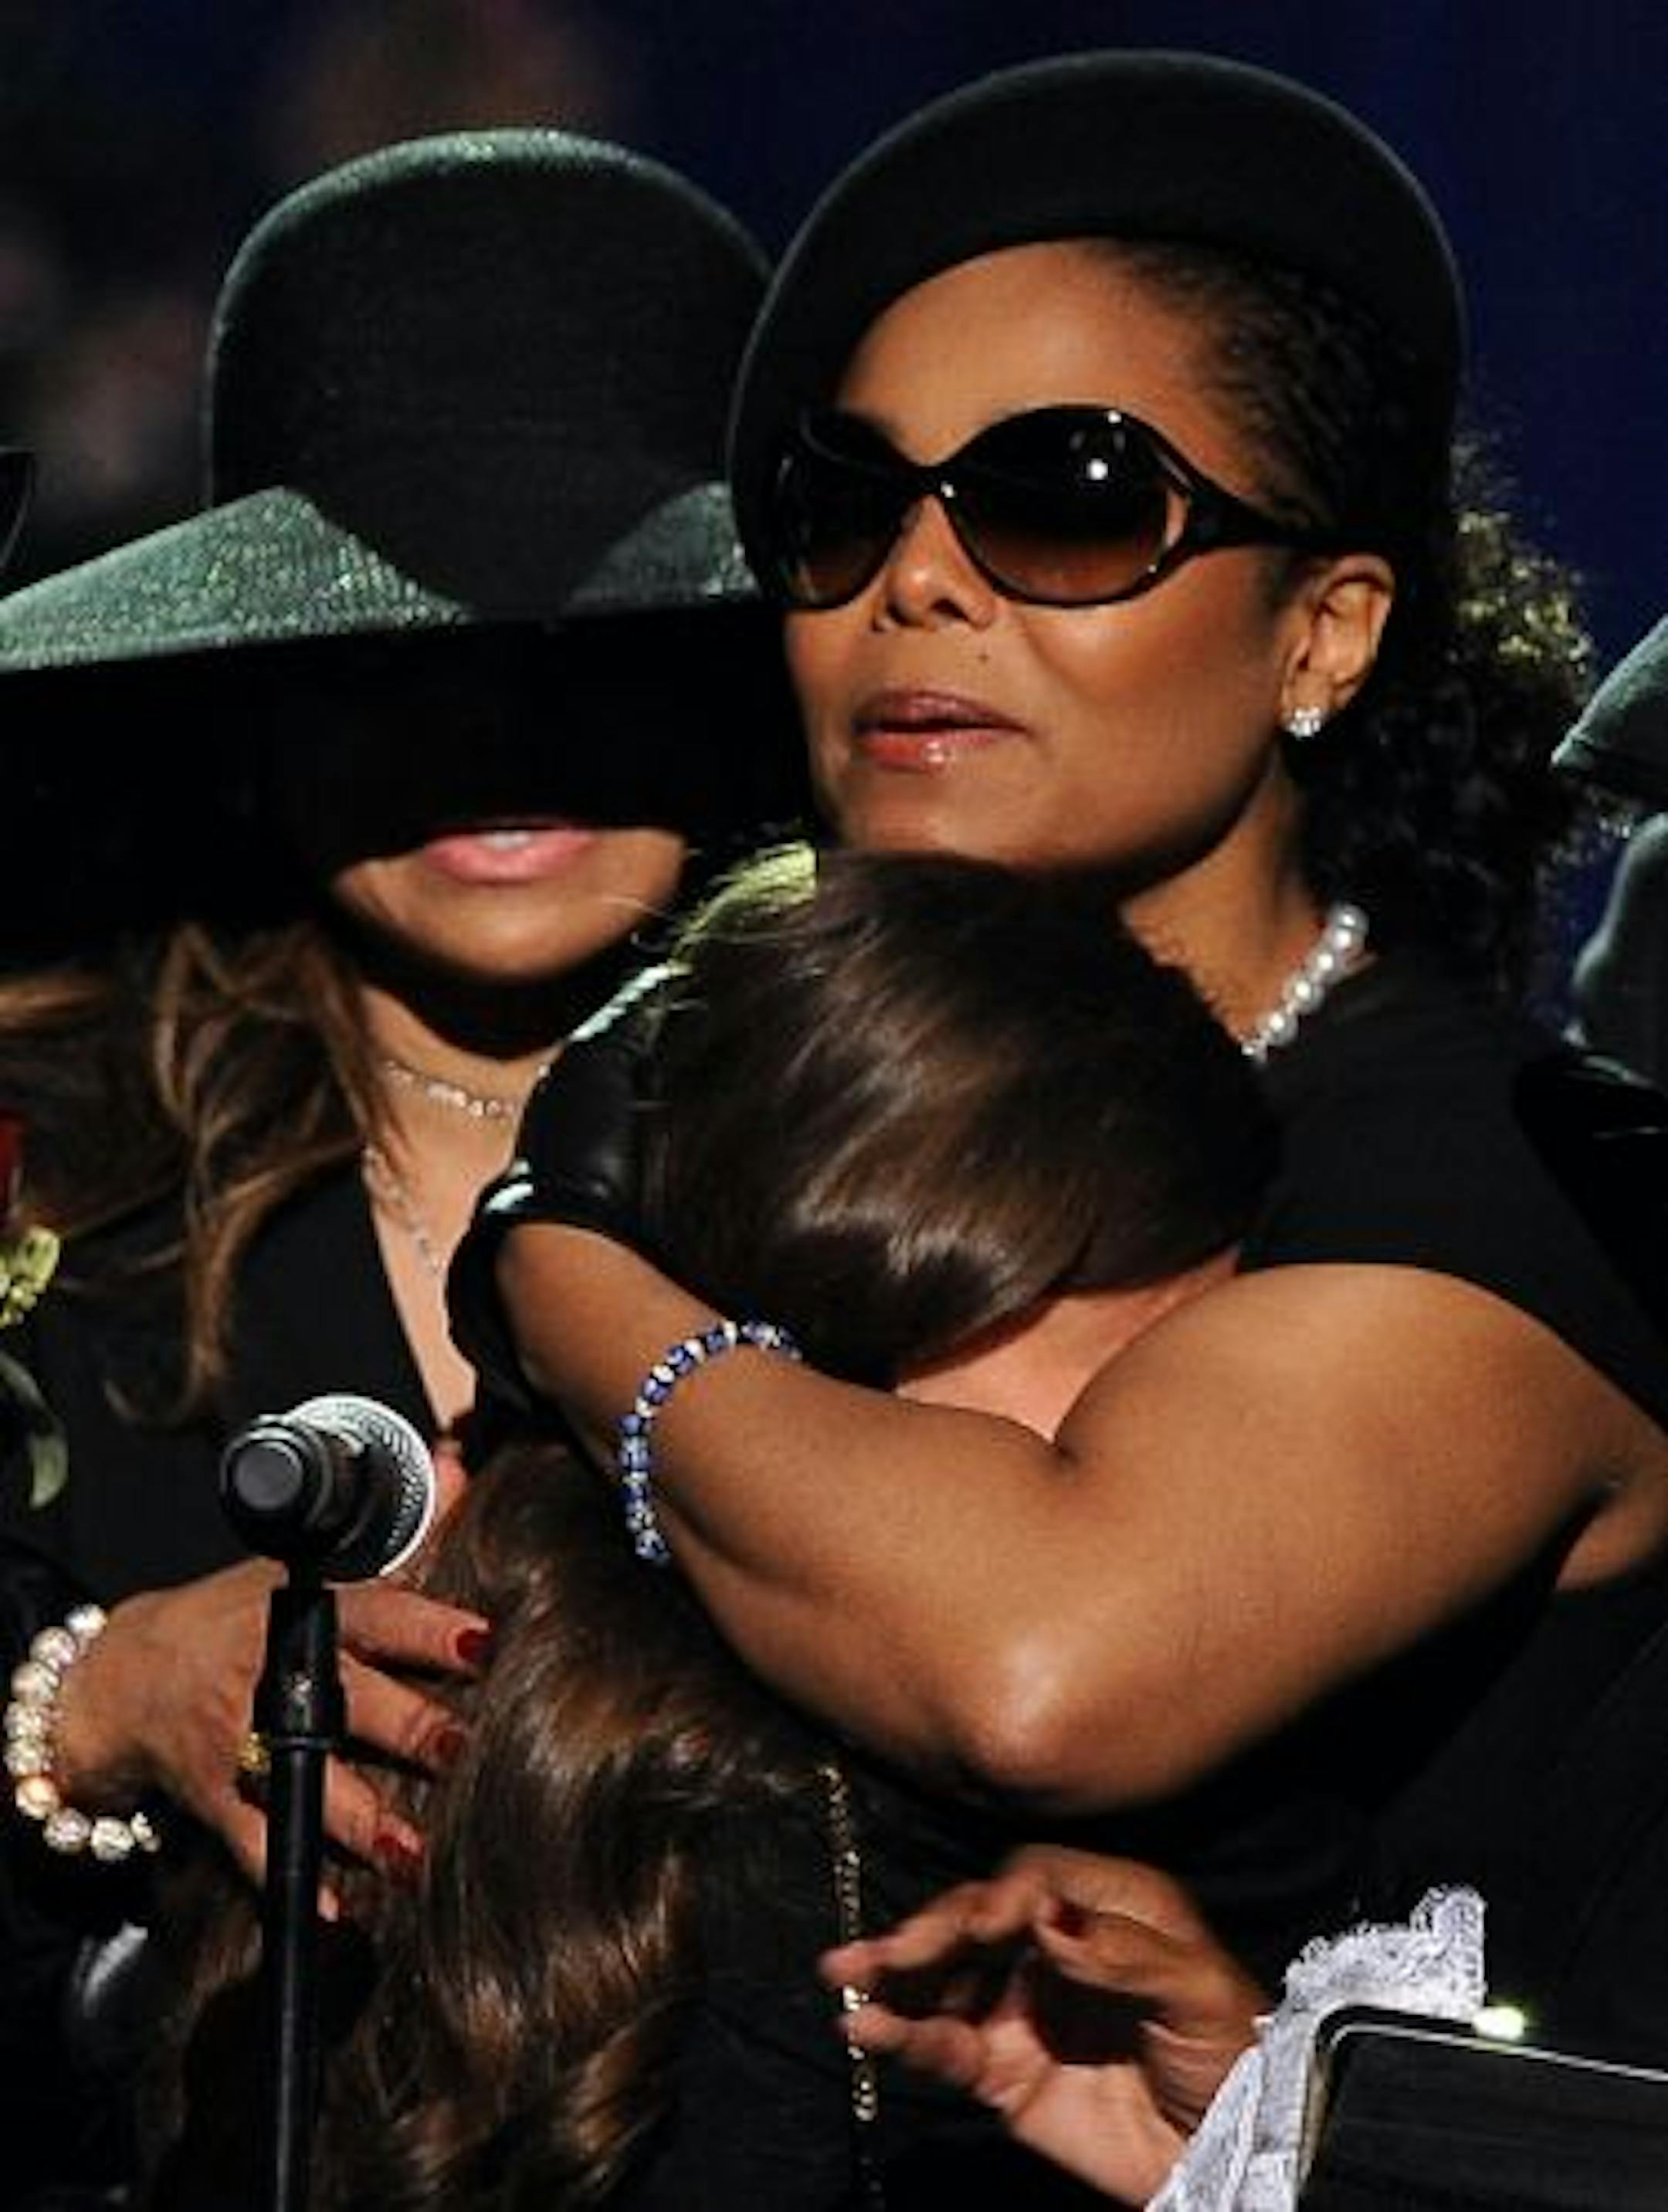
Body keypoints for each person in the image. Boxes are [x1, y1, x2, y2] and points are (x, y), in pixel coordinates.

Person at [450, 46, 1668, 2070]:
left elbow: (1040, 1660)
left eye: (1067, 500)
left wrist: (556, 1273)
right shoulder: (729, 1079)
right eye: (847, 507)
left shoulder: (1484, 1183)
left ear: (1326, 630)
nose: (919, 581)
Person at [0, 127, 798, 2205]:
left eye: (590, 645)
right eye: (392, 642)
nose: (496, 731)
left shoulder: (911, 1178)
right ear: (252, 690)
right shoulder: (47, 1161)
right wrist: (80, 1702)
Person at [144, 840, 1280, 2210]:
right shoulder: (795, 1875)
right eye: (1165, 1366)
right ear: (911, 1271)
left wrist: (1235, 2153)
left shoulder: (530, 1750)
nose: (1207, 1456)